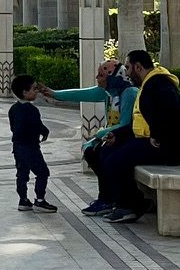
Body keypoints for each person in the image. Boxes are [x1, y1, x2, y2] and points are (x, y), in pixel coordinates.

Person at [102, 49, 180, 224]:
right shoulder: (148, 83)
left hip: (169, 146)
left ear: (138, 67)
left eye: (128, 67)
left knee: (115, 162)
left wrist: (158, 135)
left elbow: (171, 109)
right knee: (107, 153)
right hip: (155, 140)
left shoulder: (159, 83)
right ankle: (125, 201)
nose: (127, 73)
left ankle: (130, 206)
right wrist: (117, 134)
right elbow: (140, 122)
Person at [40, 59, 138, 217]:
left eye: (101, 75)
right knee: (91, 151)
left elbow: (126, 125)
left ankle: (113, 199)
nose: (97, 78)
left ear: (112, 77)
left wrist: (100, 134)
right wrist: (55, 94)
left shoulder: (129, 93)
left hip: (127, 137)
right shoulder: (110, 92)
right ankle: (107, 198)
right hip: (113, 136)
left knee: (103, 154)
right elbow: (83, 93)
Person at [9, 74, 58, 212]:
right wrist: (45, 132)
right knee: (42, 172)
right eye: (34, 88)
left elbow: (13, 127)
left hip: (18, 147)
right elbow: (38, 125)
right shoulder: (32, 110)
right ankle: (40, 200)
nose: (36, 91)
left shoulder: (13, 109)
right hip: (31, 147)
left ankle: (23, 200)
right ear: (25, 92)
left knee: (22, 174)